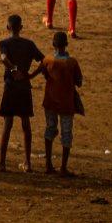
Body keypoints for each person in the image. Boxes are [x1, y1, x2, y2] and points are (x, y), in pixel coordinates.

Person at [0, 14, 44, 172]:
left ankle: (2, 163)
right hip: (24, 86)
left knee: (7, 124)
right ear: (21, 27)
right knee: (26, 124)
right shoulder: (29, 44)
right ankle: (27, 163)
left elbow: (3, 57)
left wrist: (13, 69)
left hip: (10, 86)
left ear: (8, 27)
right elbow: (43, 61)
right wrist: (31, 75)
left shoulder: (4, 43)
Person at [33, 31, 83, 177]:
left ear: (53, 45)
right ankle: (63, 167)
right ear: (66, 45)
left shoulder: (48, 60)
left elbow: (38, 72)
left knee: (50, 129)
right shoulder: (72, 62)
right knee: (66, 133)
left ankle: (48, 164)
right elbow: (78, 82)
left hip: (50, 102)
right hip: (67, 103)